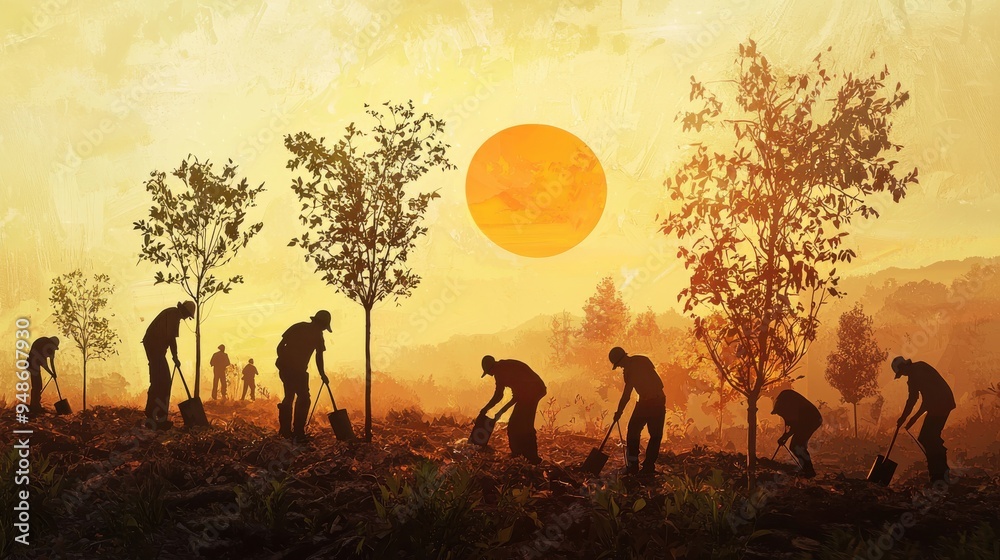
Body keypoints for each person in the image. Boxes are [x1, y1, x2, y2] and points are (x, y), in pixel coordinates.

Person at [892, 356, 956, 483]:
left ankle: (938, 472)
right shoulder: (920, 367)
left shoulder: (915, 375)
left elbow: (916, 400)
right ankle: (939, 470)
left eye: (902, 372)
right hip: (943, 403)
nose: (903, 375)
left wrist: (906, 418)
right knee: (929, 437)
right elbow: (924, 400)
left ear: (903, 367)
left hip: (940, 405)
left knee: (927, 438)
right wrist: (910, 418)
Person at [479, 356, 547, 464]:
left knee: (520, 425)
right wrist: (499, 412)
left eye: (488, 372)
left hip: (533, 392)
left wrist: (486, 409)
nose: (490, 375)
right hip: (531, 392)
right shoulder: (503, 368)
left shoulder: (500, 372)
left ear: (491, 368)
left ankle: (528, 457)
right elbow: (516, 396)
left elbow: (499, 396)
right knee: (519, 424)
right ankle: (523, 455)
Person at [609, 347, 666, 475]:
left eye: (618, 365)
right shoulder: (641, 360)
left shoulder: (632, 369)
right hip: (651, 401)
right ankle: (642, 466)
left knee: (645, 433)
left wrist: (619, 411)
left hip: (652, 403)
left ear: (621, 360)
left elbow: (627, 394)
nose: (620, 367)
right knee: (650, 435)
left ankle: (638, 466)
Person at [275, 311, 331, 441]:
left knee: (289, 396)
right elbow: (319, 357)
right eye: (324, 327)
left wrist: (283, 362)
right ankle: (297, 432)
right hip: (295, 370)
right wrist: (322, 374)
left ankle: (286, 432)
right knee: (304, 398)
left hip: (290, 369)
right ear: (322, 324)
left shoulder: (298, 327)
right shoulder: (317, 335)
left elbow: (280, 346)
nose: (323, 330)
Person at [141, 301, 195, 430]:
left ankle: (153, 415)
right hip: (155, 350)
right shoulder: (173, 315)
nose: (186, 318)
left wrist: (174, 356)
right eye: (188, 315)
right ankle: (158, 417)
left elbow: (169, 337)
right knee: (163, 383)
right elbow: (171, 338)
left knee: (158, 382)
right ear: (185, 311)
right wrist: (175, 356)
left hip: (155, 350)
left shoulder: (172, 313)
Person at [770, 389, 823, 478]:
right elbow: (789, 425)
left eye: (779, 413)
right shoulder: (786, 403)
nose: (780, 415)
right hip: (808, 420)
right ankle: (807, 470)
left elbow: (794, 425)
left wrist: (785, 437)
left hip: (811, 420)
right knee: (797, 445)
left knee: (796, 445)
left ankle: (809, 471)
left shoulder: (788, 404)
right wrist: (784, 436)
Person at [27, 336, 60, 414]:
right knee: (37, 386)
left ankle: (35, 405)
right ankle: (34, 406)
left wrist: (54, 373)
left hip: (35, 364)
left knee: (38, 386)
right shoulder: (44, 346)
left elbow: (51, 362)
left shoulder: (48, 347)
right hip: (32, 364)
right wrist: (51, 373)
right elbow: (44, 364)